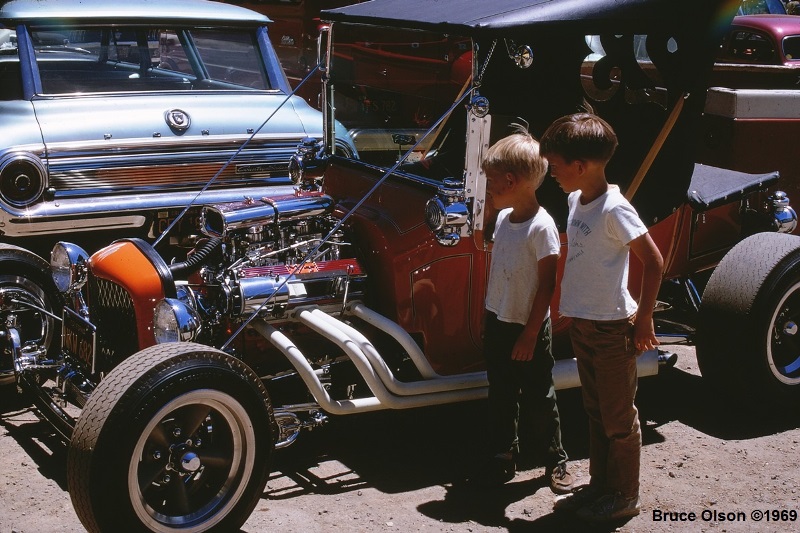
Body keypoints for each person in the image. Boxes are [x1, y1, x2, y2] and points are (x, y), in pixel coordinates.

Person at [539, 113, 664, 522]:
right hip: (584, 323)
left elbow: (654, 261)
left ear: (581, 166)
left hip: (612, 327)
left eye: (555, 166)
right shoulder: (577, 200)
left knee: (618, 419)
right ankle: (599, 486)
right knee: (595, 411)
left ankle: (625, 494)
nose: (551, 174)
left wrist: (643, 319)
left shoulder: (615, 208)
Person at [474, 129, 574, 495]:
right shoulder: (503, 220)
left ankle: (556, 460)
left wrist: (531, 334)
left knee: (539, 398)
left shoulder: (542, 227)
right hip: (499, 320)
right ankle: (503, 455)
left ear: (512, 181)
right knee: (500, 392)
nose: (489, 190)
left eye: (492, 183)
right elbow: (496, 259)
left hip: (528, 328)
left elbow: (547, 285)